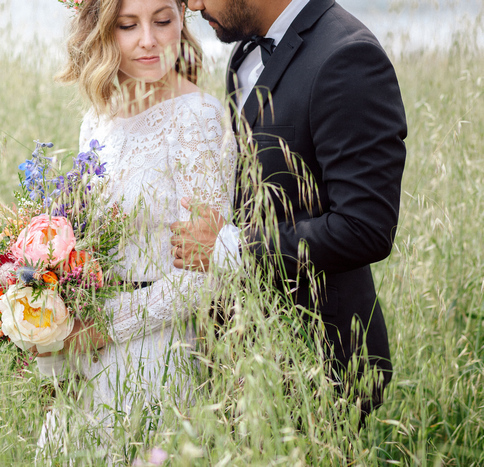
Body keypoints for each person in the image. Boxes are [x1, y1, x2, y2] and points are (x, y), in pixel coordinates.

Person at [171, 0, 407, 419]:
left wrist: (233, 250)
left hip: (320, 360)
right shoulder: (244, 52)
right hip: (245, 352)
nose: (192, 4)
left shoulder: (348, 58)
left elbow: (365, 226)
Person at [35, 0, 236, 453]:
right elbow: (84, 241)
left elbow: (203, 275)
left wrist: (104, 327)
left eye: (162, 21)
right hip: (87, 347)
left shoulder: (196, 118)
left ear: (180, 23)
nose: (149, 39)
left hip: (156, 352)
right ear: (104, 32)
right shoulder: (98, 120)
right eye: (129, 25)